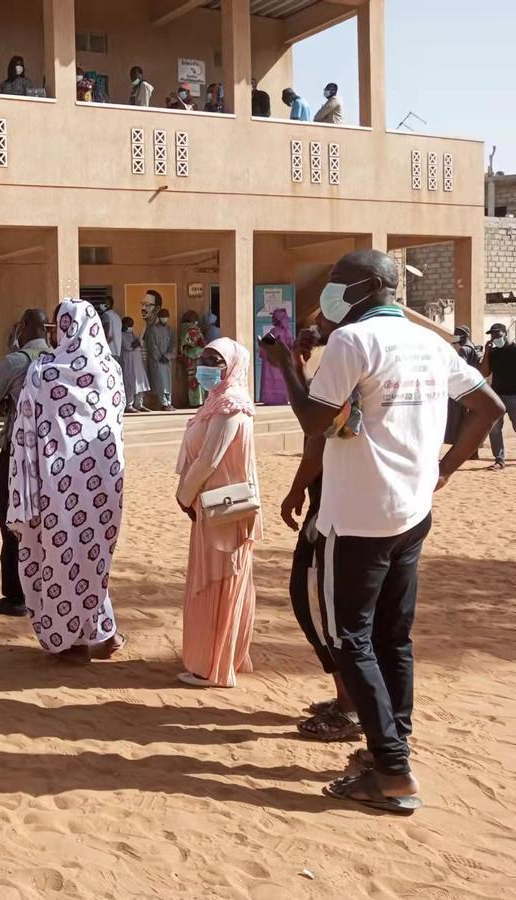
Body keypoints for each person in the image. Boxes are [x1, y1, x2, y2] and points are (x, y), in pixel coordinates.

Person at [262, 248, 501, 814]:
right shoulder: (429, 344)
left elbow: (317, 421)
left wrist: (288, 370)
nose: (329, 292)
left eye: (338, 283)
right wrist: (442, 470)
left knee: (353, 639)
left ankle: (392, 771)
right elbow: (487, 408)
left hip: (359, 517)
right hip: (411, 514)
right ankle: (393, 746)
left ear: (368, 286)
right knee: (394, 636)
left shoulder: (353, 342)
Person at [7, 299, 127, 663]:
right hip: (106, 487)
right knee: (92, 560)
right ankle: (103, 634)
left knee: (59, 559)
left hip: (57, 486)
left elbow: (25, 429)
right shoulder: (112, 370)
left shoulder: (44, 372)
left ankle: (71, 642)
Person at [280, 328, 365, 742]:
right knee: (324, 606)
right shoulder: (346, 384)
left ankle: (351, 706)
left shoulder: (345, 392)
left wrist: (295, 492)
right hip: (337, 507)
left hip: (332, 512)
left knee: (319, 605)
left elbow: (316, 443)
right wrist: (294, 366)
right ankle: (347, 697)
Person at [175, 338, 261, 688]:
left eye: (215, 361)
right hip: (210, 506)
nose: (205, 365)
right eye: (204, 358)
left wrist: (184, 496)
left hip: (223, 509)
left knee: (217, 581)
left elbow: (209, 459)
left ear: (232, 367)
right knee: (215, 580)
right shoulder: (215, 403)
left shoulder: (231, 408)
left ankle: (213, 667)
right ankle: (220, 656)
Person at [0, 308, 50, 617]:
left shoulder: (15, 362)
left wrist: (9, 405)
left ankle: (15, 595)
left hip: (16, 453)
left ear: (22, 327)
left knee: (10, 521)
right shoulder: (59, 360)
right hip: (51, 457)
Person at [481, 323, 516, 471]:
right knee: (494, 429)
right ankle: (499, 460)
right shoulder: (493, 353)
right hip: (497, 396)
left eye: (497, 334)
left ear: (505, 333)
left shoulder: (514, 349)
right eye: (492, 335)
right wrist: (487, 352)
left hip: (514, 396)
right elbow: (484, 373)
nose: (494, 337)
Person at [258, 307, 294, 405]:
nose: (272, 320)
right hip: (282, 362)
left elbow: (264, 345)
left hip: (272, 362)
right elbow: (291, 346)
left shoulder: (275, 331)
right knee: (282, 380)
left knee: (272, 380)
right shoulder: (288, 332)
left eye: (273, 318)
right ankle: (282, 398)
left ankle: (271, 399)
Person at [144, 302, 176, 410]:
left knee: (168, 382)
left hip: (166, 360)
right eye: (162, 316)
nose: (164, 318)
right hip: (157, 360)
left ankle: (169, 402)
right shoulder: (153, 330)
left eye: (166, 316)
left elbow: (172, 344)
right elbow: (152, 346)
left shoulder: (169, 330)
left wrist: (167, 356)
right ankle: (163, 403)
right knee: (160, 382)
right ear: (159, 317)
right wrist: (159, 357)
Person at [119, 317, 151, 413]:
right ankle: (129, 405)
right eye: (128, 325)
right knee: (130, 384)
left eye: (131, 325)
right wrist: (139, 340)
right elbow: (130, 346)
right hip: (129, 363)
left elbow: (139, 343)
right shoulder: (122, 335)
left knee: (140, 383)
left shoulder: (132, 334)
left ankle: (139, 404)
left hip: (138, 363)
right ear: (123, 325)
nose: (130, 327)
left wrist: (140, 339)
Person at [179, 311, 206, 407]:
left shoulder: (183, 329)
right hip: (195, 357)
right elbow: (199, 342)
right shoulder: (192, 328)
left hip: (189, 359)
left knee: (192, 379)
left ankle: (194, 401)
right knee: (197, 379)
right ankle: (198, 401)